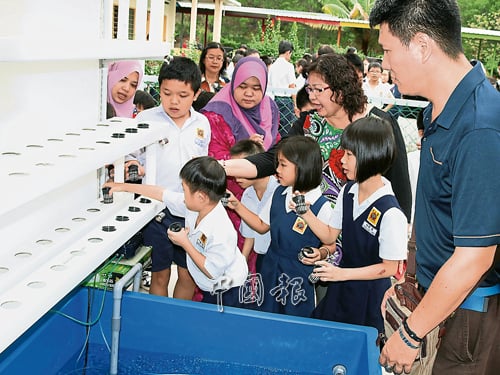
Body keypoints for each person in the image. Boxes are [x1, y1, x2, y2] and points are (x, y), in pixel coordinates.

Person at [369, 1, 500, 375]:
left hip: (466, 319)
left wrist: (411, 333)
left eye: (388, 50)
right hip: (435, 304)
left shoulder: (480, 127)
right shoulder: (437, 110)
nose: (385, 63)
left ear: (422, 45)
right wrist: (409, 284)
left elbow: (476, 256)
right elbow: (435, 213)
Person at [220, 53, 412, 235]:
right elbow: (271, 159)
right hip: (311, 232)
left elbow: (399, 187)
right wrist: (221, 166)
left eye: (318, 90)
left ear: (342, 89)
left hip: (361, 236)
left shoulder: (379, 124)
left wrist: (397, 236)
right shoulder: (309, 124)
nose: (312, 97)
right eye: (309, 89)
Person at [297, 117, 407, 335]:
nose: (342, 161)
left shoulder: (391, 212)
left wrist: (341, 274)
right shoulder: (348, 191)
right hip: (342, 288)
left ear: (370, 155)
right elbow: (330, 235)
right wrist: (304, 212)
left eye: (349, 154)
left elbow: (390, 268)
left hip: (370, 298)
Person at [126, 56, 211, 300]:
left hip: (190, 212)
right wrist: (134, 166)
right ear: (159, 90)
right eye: (167, 93)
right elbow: (131, 157)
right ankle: (157, 321)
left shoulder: (202, 123)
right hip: (157, 211)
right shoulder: (146, 120)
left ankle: (176, 319)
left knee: (187, 274)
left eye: (183, 95)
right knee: (159, 274)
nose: (174, 101)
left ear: (196, 94)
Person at [201, 56, 280, 273]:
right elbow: (210, 158)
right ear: (234, 82)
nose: (249, 93)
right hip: (223, 198)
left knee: (252, 262)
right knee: (220, 261)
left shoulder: (269, 110)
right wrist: (248, 155)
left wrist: (260, 156)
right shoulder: (216, 113)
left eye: (256, 88)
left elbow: (277, 150)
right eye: (243, 86)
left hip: (259, 198)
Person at [258, 136, 332, 317]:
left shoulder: (320, 205)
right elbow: (261, 225)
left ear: (302, 167)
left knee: (294, 322)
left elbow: (330, 244)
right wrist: (236, 204)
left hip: (297, 276)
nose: (277, 170)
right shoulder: (279, 193)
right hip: (270, 267)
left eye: (283, 165)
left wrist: (321, 253)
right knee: (265, 316)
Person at [167, 156, 248, 308]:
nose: (182, 194)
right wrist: (123, 186)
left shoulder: (220, 229)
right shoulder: (200, 205)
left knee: (220, 325)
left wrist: (185, 243)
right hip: (213, 286)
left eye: (184, 189)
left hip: (228, 288)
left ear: (200, 197)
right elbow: (163, 195)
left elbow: (212, 270)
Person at [225, 140, 279, 274]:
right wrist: (243, 260)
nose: (236, 176)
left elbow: (262, 227)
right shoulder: (248, 193)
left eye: (242, 169)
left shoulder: (278, 190)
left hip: (279, 258)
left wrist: (237, 206)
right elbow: (250, 233)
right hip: (262, 255)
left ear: (257, 166)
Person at [268, 40, 297, 135]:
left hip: (274, 100)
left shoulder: (272, 66)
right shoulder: (289, 66)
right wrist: (295, 104)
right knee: (285, 130)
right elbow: (292, 86)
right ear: (288, 52)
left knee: (274, 127)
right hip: (286, 101)